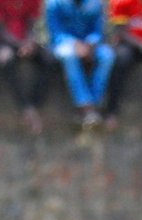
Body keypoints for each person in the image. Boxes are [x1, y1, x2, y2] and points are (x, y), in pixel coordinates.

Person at [0, 0, 54, 134]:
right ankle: (25, 107)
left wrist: (29, 43)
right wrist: (19, 45)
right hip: (1, 42)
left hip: (24, 42)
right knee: (6, 59)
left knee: (49, 59)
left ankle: (35, 105)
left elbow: (32, 25)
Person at [45, 0, 115, 128]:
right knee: (69, 55)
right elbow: (55, 33)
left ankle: (95, 103)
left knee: (107, 56)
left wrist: (91, 43)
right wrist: (74, 44)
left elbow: (98, 31)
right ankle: (85, 106)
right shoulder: (54, 3)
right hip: (64, 45)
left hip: (90, 47)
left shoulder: (95, 4)